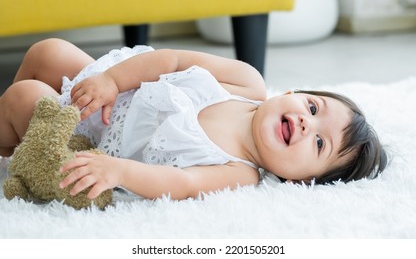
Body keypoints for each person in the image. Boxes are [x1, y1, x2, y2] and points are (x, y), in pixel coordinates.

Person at [0, 38, 387, 201]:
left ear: (302, 181)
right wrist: (110, 80)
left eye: (320, 144)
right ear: (290, 94)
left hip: (92, 142)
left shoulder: (241, 172)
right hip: (110, 92)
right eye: (314, 108)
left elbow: (182, 182)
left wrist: (118, 172)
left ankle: (25, 143)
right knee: (48, 52)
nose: (306, 124)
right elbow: (173, 60)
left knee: (28, 97)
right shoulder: (247, 83)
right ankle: (14, 145)